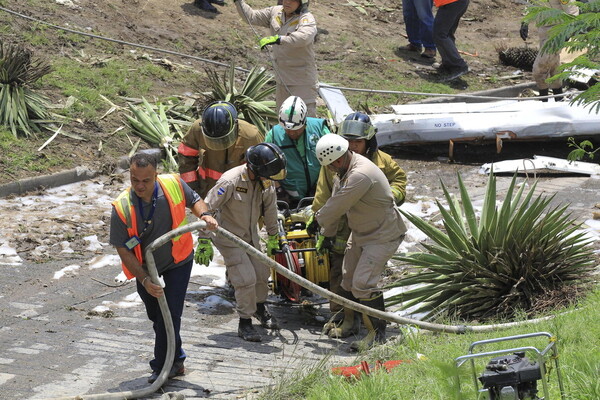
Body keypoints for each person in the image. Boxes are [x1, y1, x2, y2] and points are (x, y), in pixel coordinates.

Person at [109, 152, 218, 383]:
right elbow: (123, 250)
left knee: (169, 313)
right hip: (145, 269)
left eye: (146, 181)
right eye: (134, 179)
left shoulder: (172, 184)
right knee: (157, 316)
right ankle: (177, 359)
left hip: (178, 260)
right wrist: (145, 280)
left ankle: (161, 368)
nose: (140, 186)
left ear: (156, 176)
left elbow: (195, 199)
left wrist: (205, 215)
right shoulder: (122, 208)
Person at [310, 112, 407, 338]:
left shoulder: (361, 172)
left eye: (357, 142)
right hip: (357, 230)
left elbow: (337, 204)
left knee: (363, 283)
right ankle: (350, 323)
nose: (353, 145)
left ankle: (376, 335)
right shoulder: (338, 166)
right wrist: (326, 231)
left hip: (380, 233)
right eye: (349, 141)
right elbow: (328, 197)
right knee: (346, 279)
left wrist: (317, 221)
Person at [195, 143, 287, 342]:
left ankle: (260, 308)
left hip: (250, 235)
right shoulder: (231, 181)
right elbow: (207, 208)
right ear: (255, 169)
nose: (269, 179)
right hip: (228, 236)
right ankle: (244, 322)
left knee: (262, 273)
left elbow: (270, 210)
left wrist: (273, 236)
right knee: (245, 279)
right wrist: (203, 240)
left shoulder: (265, 181)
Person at [234, 0, 319, 117]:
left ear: (302, 3)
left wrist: (279, 39)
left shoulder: (306, 18)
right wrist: (238, 2)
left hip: (301, 81)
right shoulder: (275, 11)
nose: (287, 2)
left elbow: (304, 37)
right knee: (283, 119)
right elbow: (251, 17)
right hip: (282, 79)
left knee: (304, 119)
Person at [177, 101, 262, 198]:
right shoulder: (197, 130)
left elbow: (261, 168)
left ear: (234, 125)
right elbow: (186, 158)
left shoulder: (250, 136)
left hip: (239, 194)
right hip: (207, 192)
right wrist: (191, 190)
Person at [265, 96, 330, 208]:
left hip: (319, 194)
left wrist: (322, 187)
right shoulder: (274, 135)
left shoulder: (320, 129)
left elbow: (333, 160)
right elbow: (265, 167)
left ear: (305, 123)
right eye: (287, 129)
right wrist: (278, 189)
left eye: (296, 130)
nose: (291, 133)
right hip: (288, 199)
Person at [520, 0, 579, 101]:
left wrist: (568, 31)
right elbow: (531, 5)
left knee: (539, 69)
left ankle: (544, 102)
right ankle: (558, 99)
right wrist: (525, 22)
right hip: (543, 30)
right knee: (554, 67)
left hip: (558, 31)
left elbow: (572, 9)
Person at [432, 0, 470, 81]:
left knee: (440, 34)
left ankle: (458, 65)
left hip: (451, 3)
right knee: (447, 33)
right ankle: (449, 64)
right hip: (456, 2)